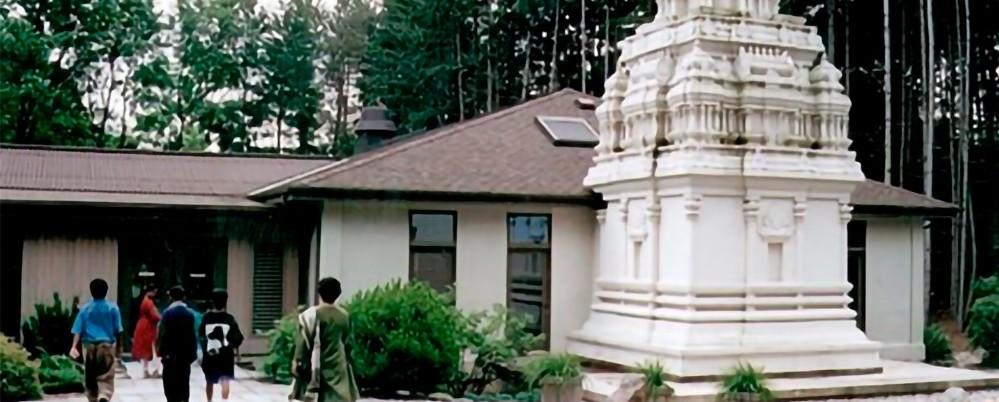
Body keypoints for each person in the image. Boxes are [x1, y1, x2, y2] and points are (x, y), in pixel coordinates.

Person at [290, 277, 359, 402]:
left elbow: (302, 342)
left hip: (316, 363)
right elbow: (348, 342)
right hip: (338, 364)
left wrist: (297, 361)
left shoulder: (310, 315)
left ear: (319, 292)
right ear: (338, 294)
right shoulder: (344, 316)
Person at [70, 278, 124, 402]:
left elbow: (77, 330)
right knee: (106, 374)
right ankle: (104, 394)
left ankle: (92, 396)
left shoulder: (85, 309)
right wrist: (119, 349)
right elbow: (119, 330)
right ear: (106, 291)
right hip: (106, 345)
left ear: (91, 291)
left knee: (90, 374)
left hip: (88, 345)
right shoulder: (112, 308)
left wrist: (73, 346)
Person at [199, 289, 244, 402]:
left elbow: (201, 333)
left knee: (209, 380)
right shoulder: (229, 318)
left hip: (210, 353)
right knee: (225, 379)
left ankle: (209, 400)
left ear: (212, 302)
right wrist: (233, 346)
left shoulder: (206, 317)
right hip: (226, 354)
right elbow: (238, 337)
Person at [158, 286, 198, 402]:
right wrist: (193, 354)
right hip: (185, 356)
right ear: (183, 297)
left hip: (170, 356)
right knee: (184, 382)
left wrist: (161, 351)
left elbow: (162, 334)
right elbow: (192, 335)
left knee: (170, 384)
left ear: (170, 297)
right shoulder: (190, 314)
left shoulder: (167, 313)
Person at [132, 285, 161, 378]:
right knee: (151, 348)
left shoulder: (145, 301)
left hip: (144, 326)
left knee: (145, 350)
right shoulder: (148, 302)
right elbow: (155, 316)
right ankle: (154, 370)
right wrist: (161, 318)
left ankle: (146, 370)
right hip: (148, 327)